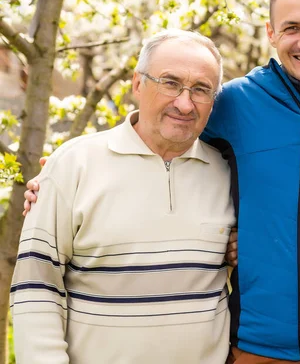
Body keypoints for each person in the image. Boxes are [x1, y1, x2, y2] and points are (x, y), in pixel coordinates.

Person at [23, 0, 300, 363]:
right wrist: (63, 173)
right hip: (252, 347)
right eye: (292, 28)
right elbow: (162, 130)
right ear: (271, 33)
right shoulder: (234, 103)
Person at [11, 29, 236, 363]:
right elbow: (36, 289)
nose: (184, 103)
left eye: (201, 89)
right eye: (170, 82)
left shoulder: (227, 172)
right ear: (137, 84)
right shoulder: (73, 164)